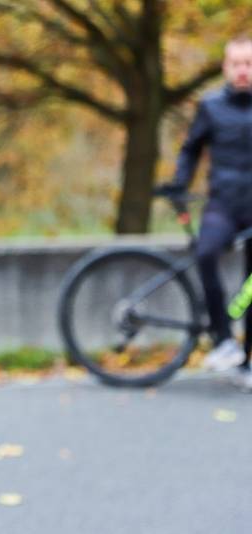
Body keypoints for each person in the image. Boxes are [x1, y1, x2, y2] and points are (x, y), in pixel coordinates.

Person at [160, 36, 252, 385]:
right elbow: (190, 150)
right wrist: (179, 182)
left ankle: (246, 362)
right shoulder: (211, 106)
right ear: (226, 67)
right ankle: (224, 339)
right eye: (237, 64)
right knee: (206, 252)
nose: (243, 70)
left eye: (249, 63)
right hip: (223, 205)